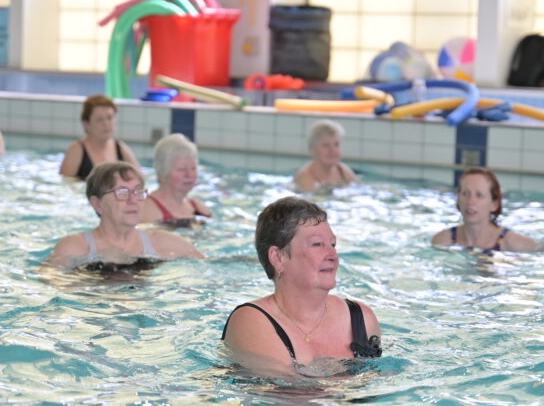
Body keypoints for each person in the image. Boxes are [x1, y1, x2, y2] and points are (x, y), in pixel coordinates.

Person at [222, 196, 381, 375]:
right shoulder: (250, 321)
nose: (332, 255)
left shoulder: (361, 319)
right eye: (317, 244)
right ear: (278, 258)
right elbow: (294, 396)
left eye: (333, 244)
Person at [44, 161, 204, 271]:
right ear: (97, 204)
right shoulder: (74, 247)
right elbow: (50, 284)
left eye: (137, 191)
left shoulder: (163, 243)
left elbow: (210, 268)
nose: (133, 199)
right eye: (121, 192)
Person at [432, 167, 538, 252]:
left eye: (479, 195)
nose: (470, 201)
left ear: (494, 204)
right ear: (458, 199)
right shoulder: (443, 241)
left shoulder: (514, 244)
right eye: (465, 194)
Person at [59, 94, 140, 181]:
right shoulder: (76, 151)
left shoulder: (121, 148)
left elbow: (140, 179)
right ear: (86, 124)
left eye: (109, 118)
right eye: (99, 119)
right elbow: (65, 186)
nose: (106, 123)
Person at [139, 133, 212, 223]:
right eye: (181, 169)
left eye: (193, 168)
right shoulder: (147, 210)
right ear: (163, 173)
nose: (189, 174)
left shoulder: (199, 210)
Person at [293, 119, 358, 193]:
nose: (332, 150)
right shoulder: (305, 177)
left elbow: (359, 191)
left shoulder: (343, 171)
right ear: (312, 148)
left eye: (336, 144)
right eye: (326, 145)